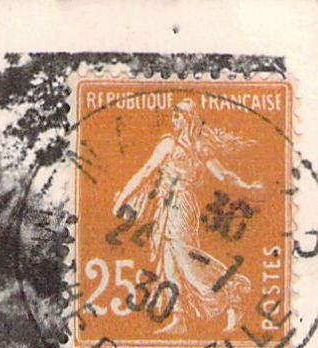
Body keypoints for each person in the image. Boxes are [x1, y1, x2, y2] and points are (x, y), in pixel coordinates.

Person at [112, 97, 262, 333]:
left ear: (189, 117)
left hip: (182, 205)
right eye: (173, 114)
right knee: (169, 262)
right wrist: (124, 198)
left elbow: (222, 175)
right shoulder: (168, 144)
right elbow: (146, 172)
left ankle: (232, 295)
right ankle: (179, 317)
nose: (174, 119)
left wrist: (246, 186)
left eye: (178, 114)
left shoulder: (198, 147)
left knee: (186, 257)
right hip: (165, 206)